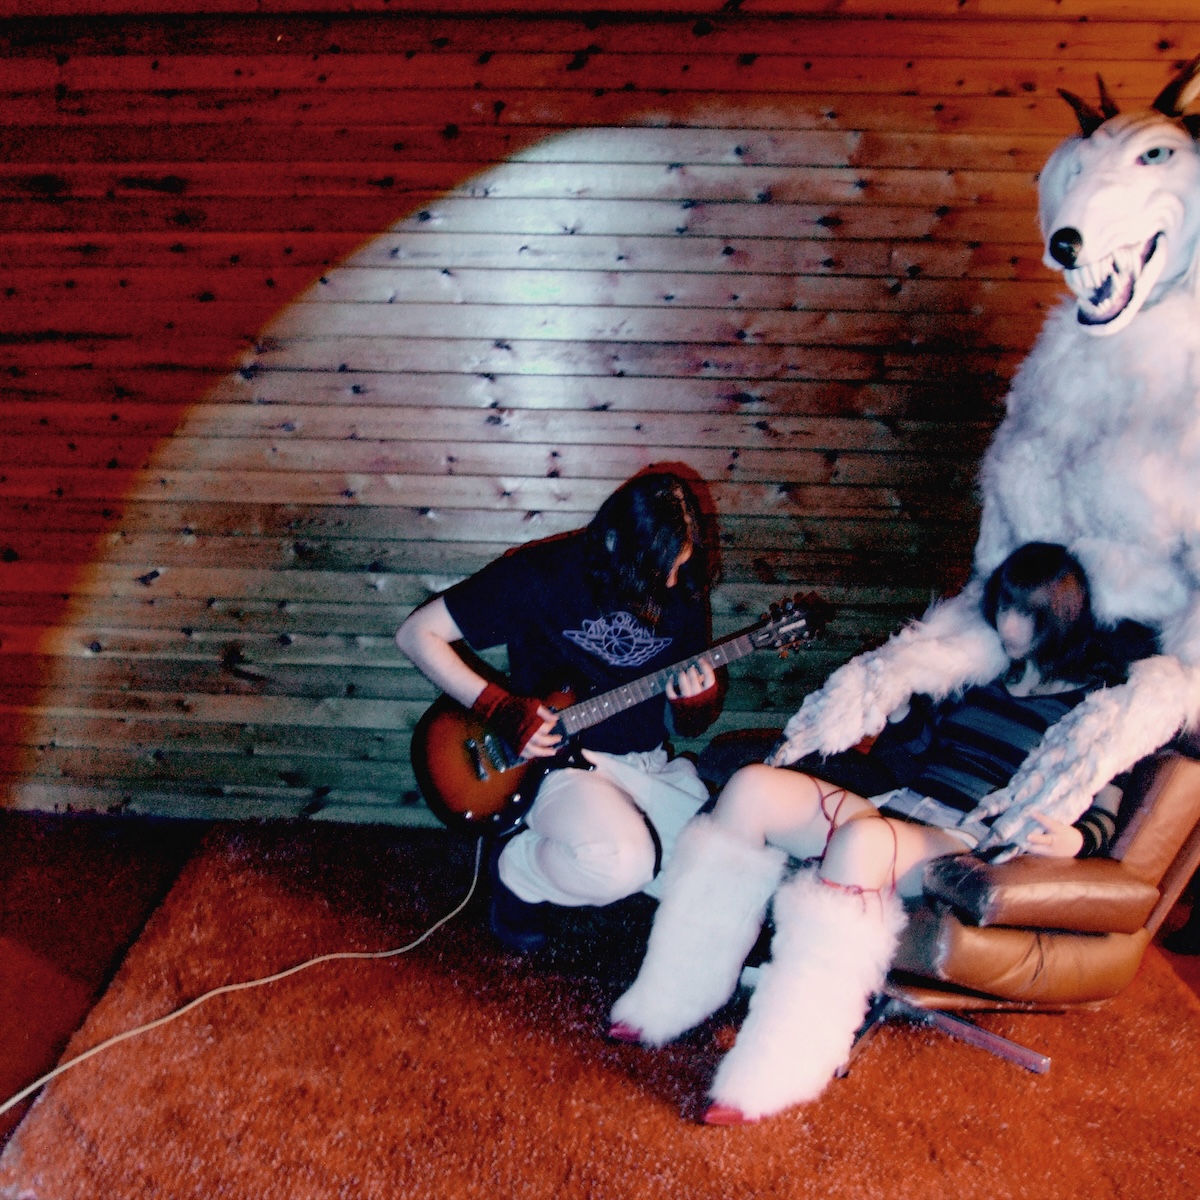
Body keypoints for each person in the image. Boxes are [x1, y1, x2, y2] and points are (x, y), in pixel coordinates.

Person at [607, 543, 1157, 1125]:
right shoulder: (978, 674)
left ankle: (784, 1062)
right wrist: (898, 714)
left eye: (1030, 613)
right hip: (902, 805)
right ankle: (679, 992)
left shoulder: (1092, 706)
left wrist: (1078, 840)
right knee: (751, 788)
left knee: (860, 843)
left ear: (1064, 617)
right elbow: (911, 757)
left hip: (965, 839)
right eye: (1006, 606)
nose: (1011, 625)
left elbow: (1105, 801)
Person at [395, 470, 722, 953]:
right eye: (660, 570)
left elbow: (686, 724)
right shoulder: (541, 574)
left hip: (647, 763)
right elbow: (415, 635)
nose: (671, 582)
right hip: (556, 767)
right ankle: (518, 870)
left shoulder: (682, 585)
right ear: (615, 542)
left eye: (679, 566)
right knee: (624, 864)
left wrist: (696, 705)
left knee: (723, 872)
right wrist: (499, 707)